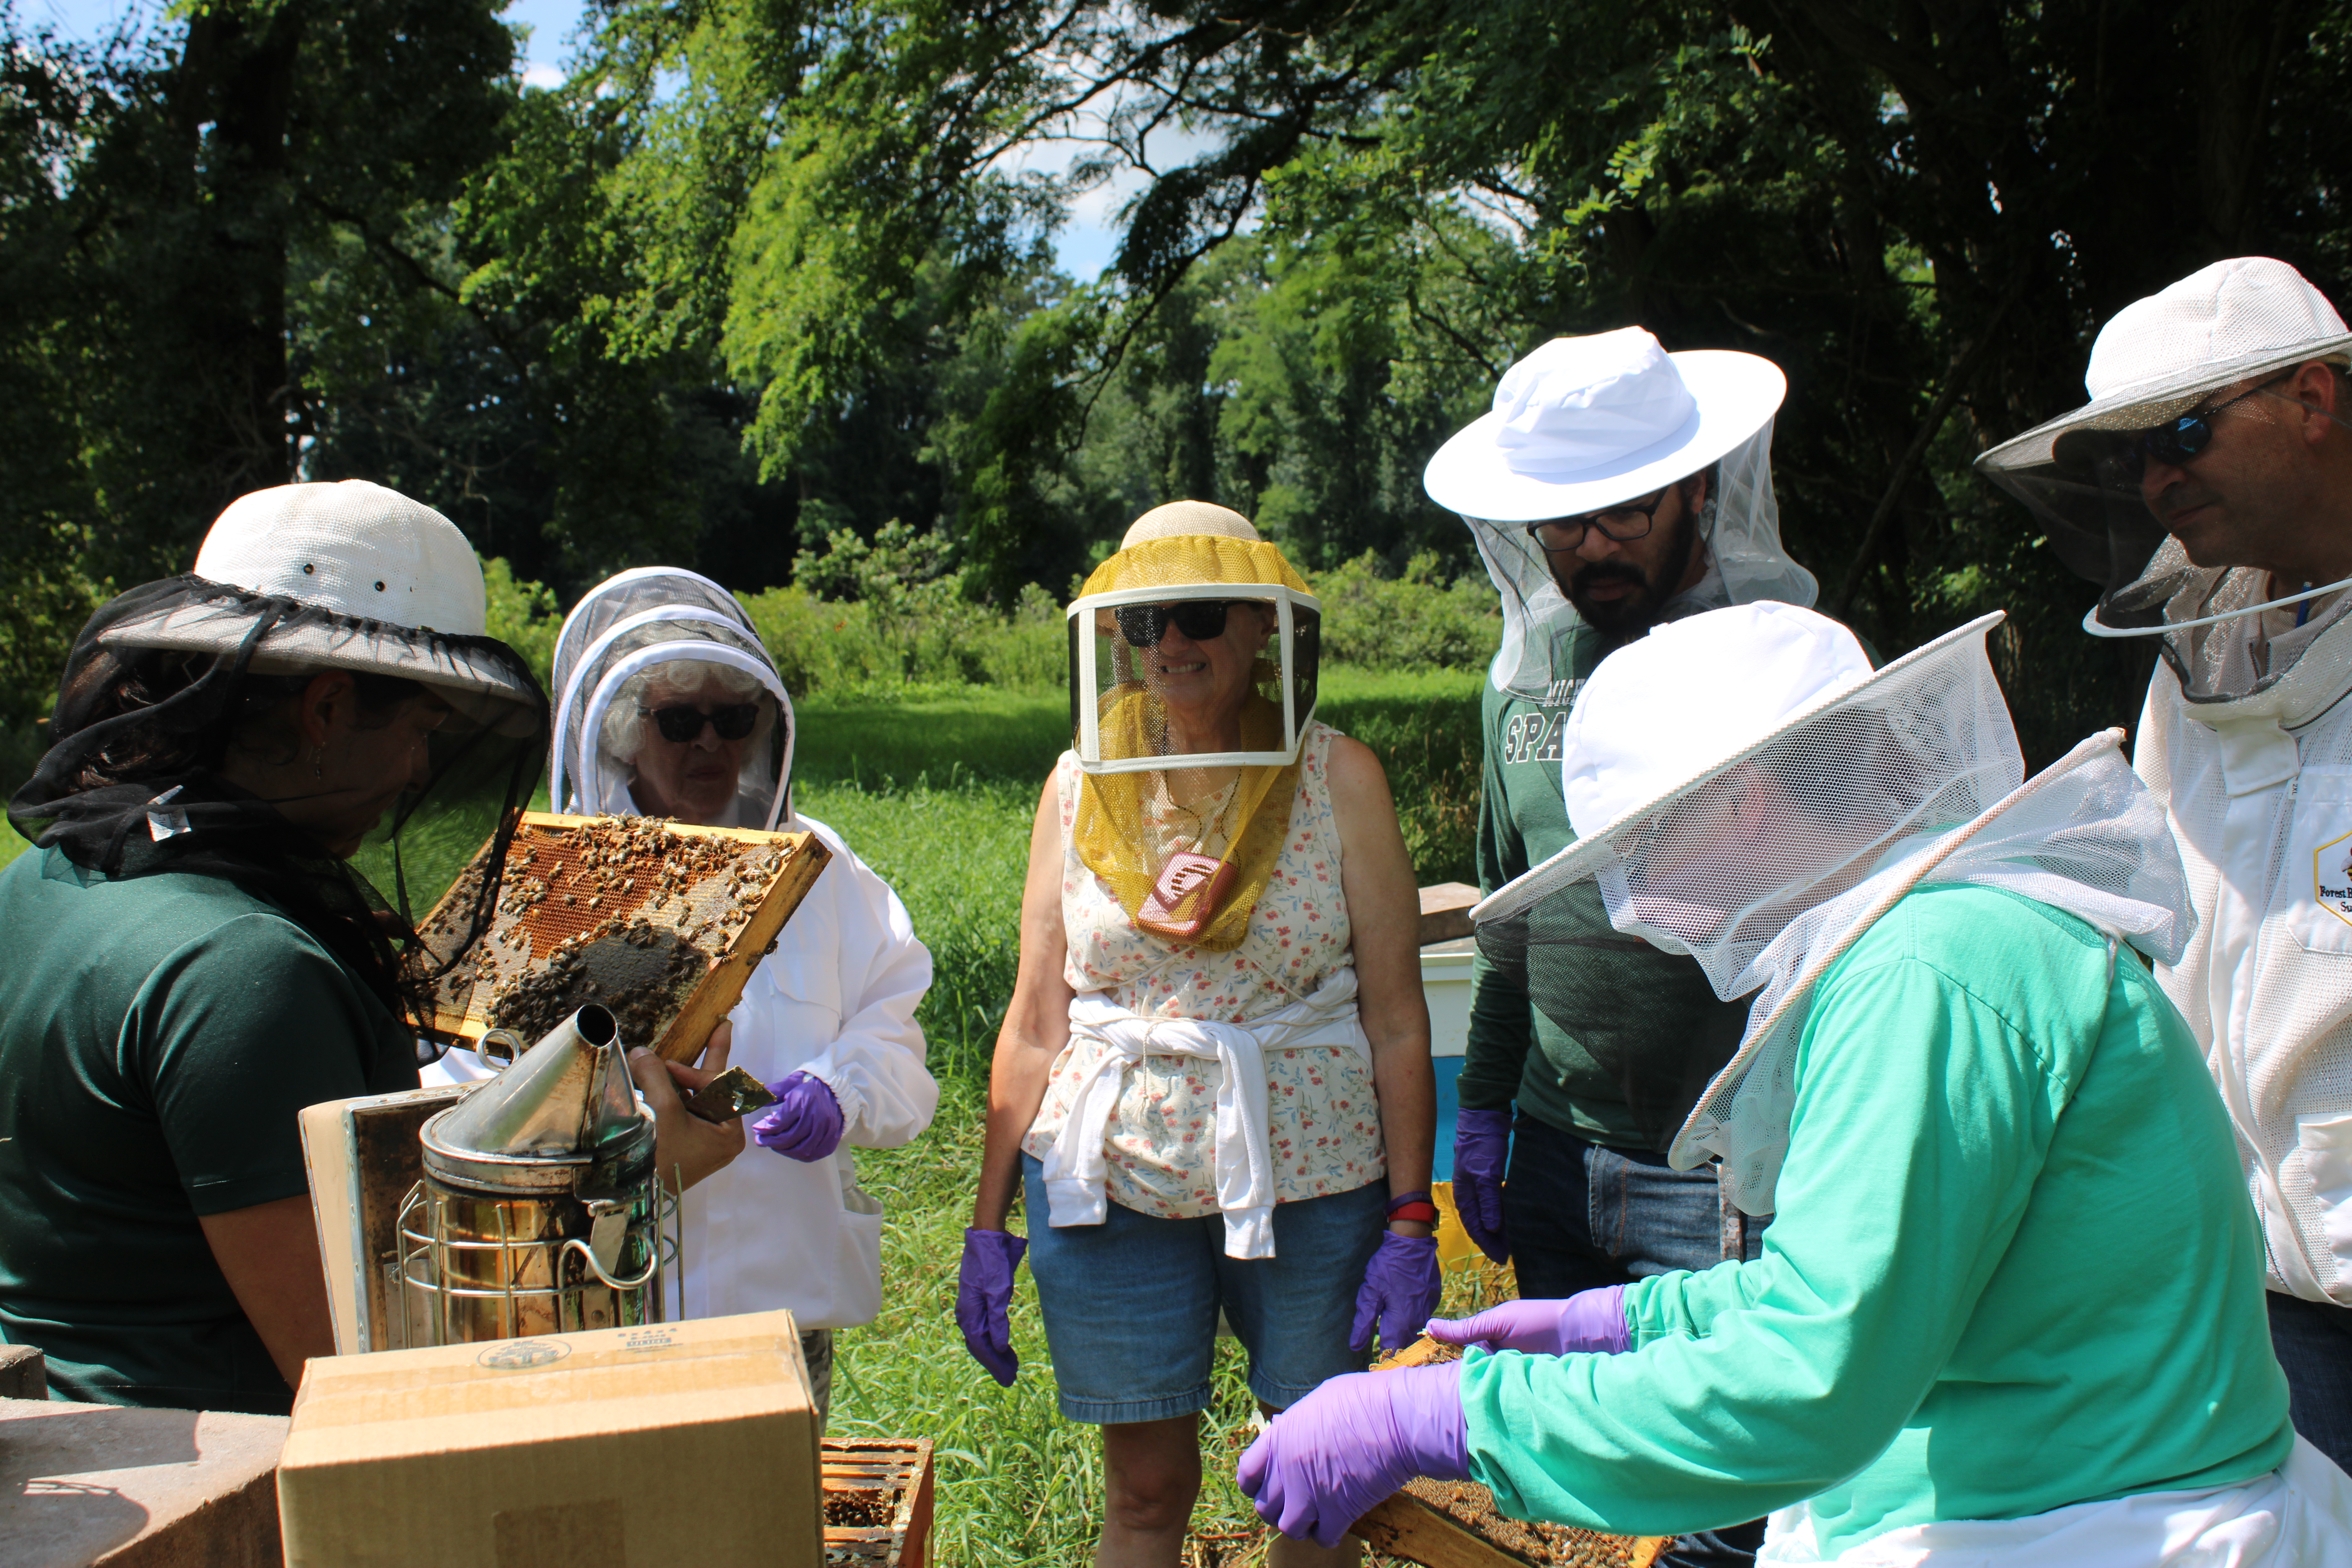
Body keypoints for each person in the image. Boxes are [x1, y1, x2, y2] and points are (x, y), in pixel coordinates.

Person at [1238, 600, 2352, 1564]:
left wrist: (1447, 1417)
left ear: (1745, 806)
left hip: (2091, 1528)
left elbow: (1817, 1376)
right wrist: (1631, 1321)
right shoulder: (1943, 938)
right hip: (2047, 1497)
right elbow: (1873, 1278)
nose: (1629, 899)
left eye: (1643, 840)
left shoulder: (1933, 970)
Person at [0, 482, 743, 1414]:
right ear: (324, 708)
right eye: (419, 728)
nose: (419, 773)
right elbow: (372, 1369)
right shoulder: (247, 971)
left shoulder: (46, 882)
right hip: (232, 1494)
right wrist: (634, 1182)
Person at [956, 502, 1437, 1568]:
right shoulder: (1079, 782)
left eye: (1201, 614)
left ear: (1266, 624)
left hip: (1315, 1176)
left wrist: (1412, 1215)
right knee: (1145, 1488)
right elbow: (1038, 1015)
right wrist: (986, 1224)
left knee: (1317, 1478)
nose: (1172, 645)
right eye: (1144, 622)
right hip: (1112, 1175)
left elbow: (1399, 1019)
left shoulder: (1339, 777)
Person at [1422, 327, 1819, 1568]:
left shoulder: (1785, 659)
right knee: (1573, 1511)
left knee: (1717, 1522)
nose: (1591, 546)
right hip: (1552, 1151)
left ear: (1701, 486)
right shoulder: (1523, 670)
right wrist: (1483, 1107)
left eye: (1624, 512)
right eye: (1561, 523)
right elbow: (1509, 913)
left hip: (1720, 1177)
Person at [1976, 257, 2352, 1474]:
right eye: (2132, 453)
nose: (2156, 478)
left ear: (2312, 399)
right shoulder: (2196, 658)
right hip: (2260, 1283)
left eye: (2184, 430)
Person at [425, 566, 938, 1423]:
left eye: (733, 719)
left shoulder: (826, 866)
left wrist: (840, 1090)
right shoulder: (556, 881)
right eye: (679, 720)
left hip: (782, 1301)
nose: (711, 743)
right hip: (607, 1304)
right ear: (626, 733)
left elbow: (896, 1036)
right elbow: (465, 1097)